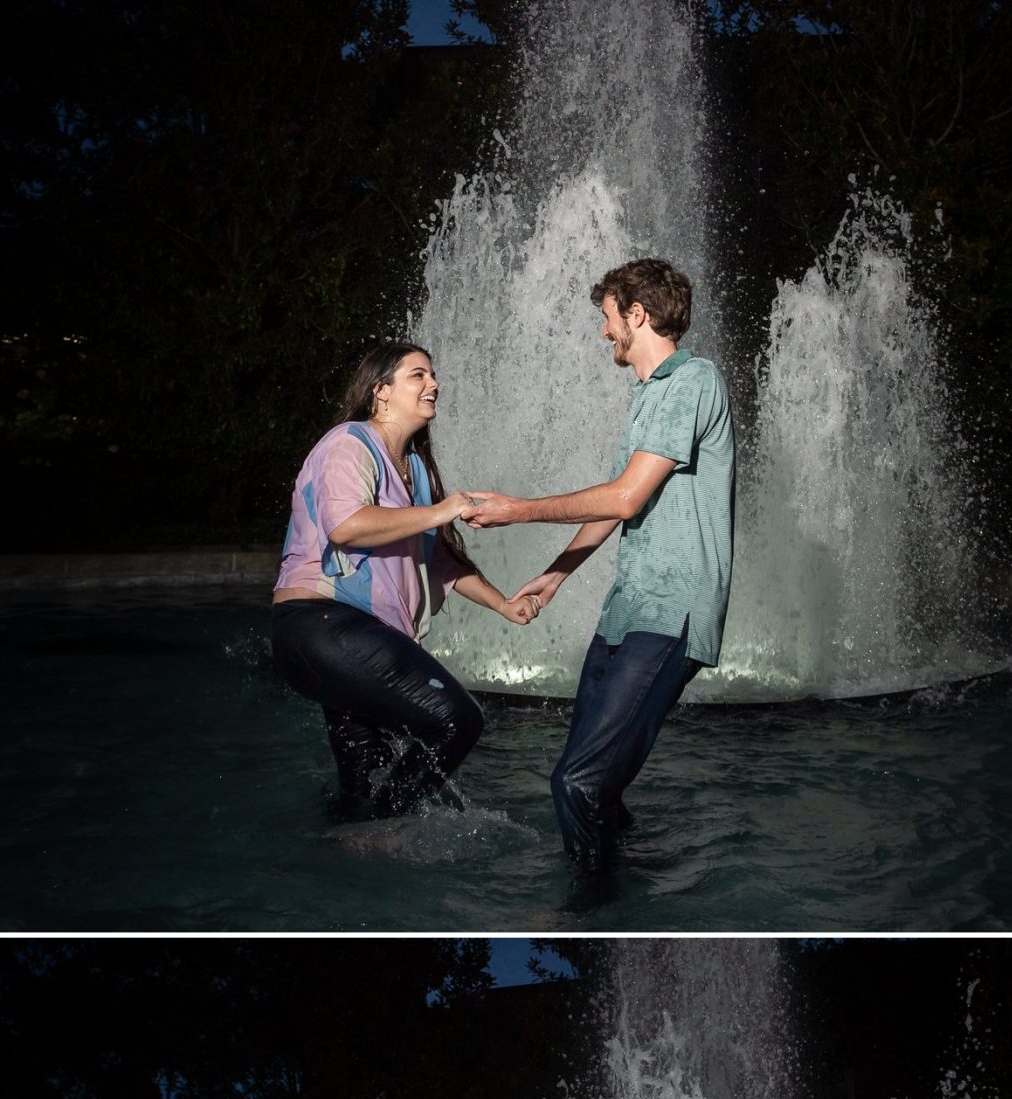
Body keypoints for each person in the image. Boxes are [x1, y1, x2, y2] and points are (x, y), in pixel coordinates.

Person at [466, 258, 735, 868]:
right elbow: (621, 500)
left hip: (672, 612)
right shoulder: (652, 395)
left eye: (608, 318)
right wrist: (559, 574)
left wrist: (517, 510)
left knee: (577, 782)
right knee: (597, 786)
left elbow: (624, 496)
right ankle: (633, 880)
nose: (604, 332)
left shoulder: (692, 382)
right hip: (629, 612)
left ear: (636, 315)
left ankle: (591, 914)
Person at [271, 342, 542, 817]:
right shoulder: (348, 442)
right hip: (321, 625)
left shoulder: (414, 469)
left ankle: (353, 846)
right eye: (418, 375)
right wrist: (440, 511)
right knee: (456, 721)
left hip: (346, 640)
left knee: (364, 780)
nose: (433, 384)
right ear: (380, 392)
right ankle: (388, 826)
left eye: (433, 375)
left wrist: (504, 605)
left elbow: (438, 562)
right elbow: (345, 524)